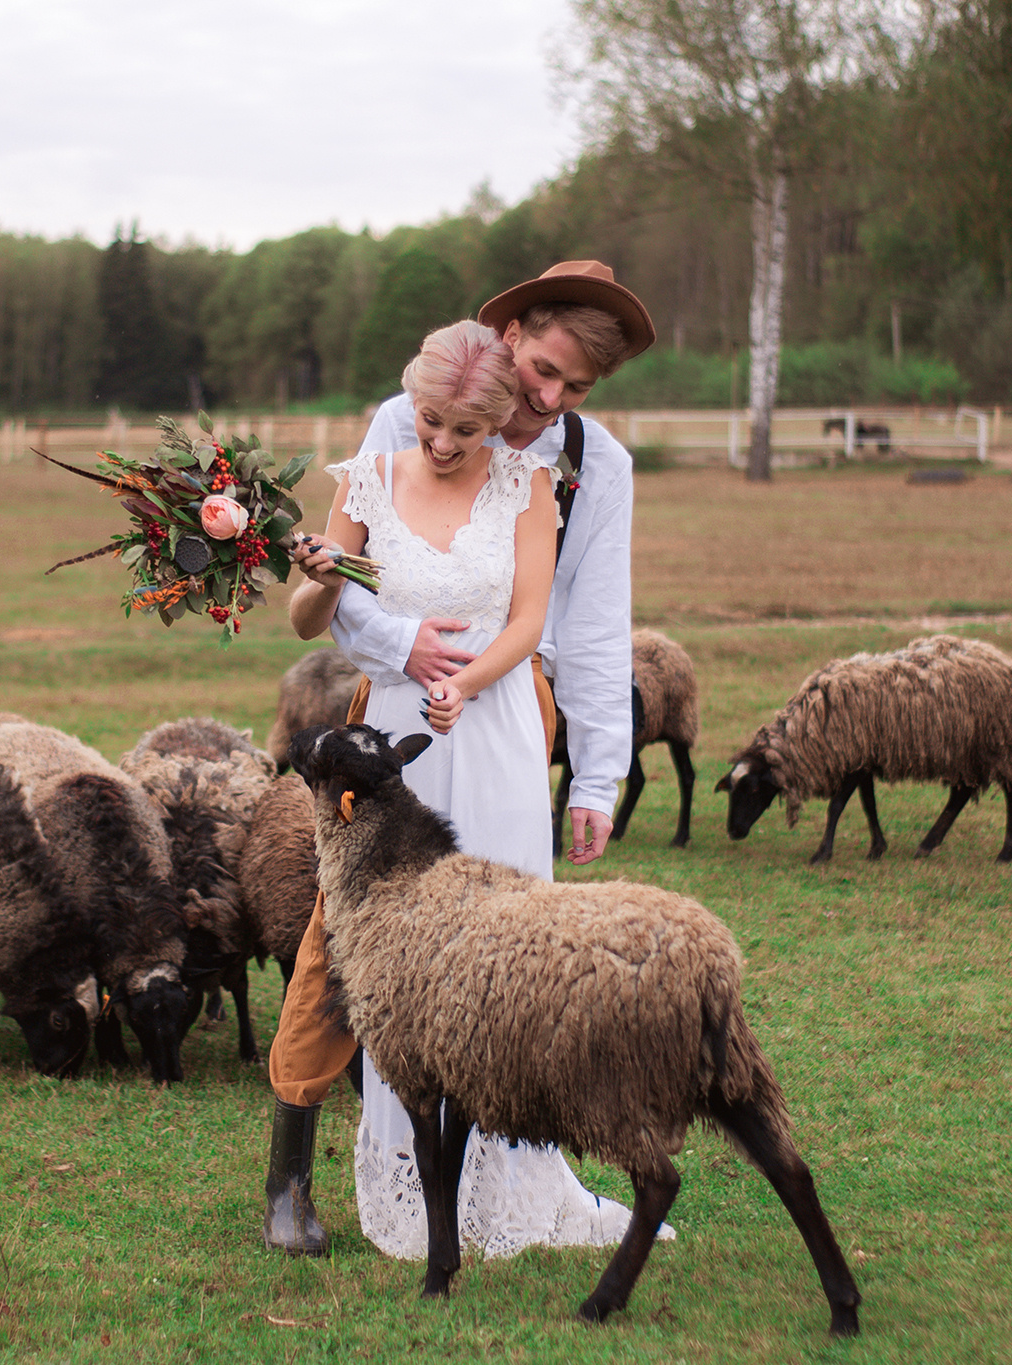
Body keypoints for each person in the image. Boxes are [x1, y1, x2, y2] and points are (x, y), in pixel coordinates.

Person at [262, 262, 656, 1258]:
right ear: (510, 331)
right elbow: (344, 576)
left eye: (575, 388)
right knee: (347, 932)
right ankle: (292, 1179)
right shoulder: (411, 412)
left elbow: (591, 623)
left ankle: (505, 1174)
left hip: (510, 710)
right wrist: (400, 649)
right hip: (397, 707)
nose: (550, 399)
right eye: (543, 368)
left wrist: (598, 774)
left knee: (509, 943)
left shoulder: (588, 467)